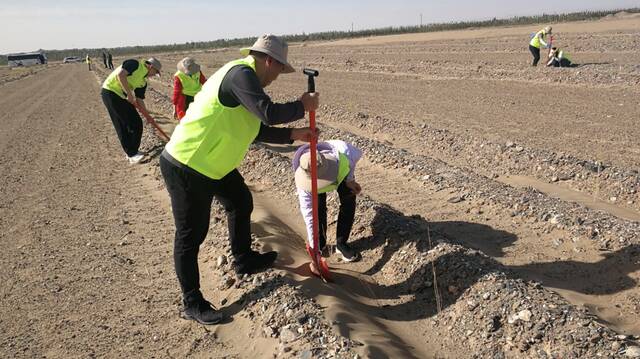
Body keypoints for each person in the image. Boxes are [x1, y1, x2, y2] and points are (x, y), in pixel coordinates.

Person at [160, 34, 319, 325]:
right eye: (279, 71)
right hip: (188, 164)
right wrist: (302, 105)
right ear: (269, 61)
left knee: (240, 201)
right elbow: (269, 114)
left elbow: (255, 129)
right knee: (191, 234)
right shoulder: (241, 74)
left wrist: (295, 135)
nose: (277, 77)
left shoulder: (248, 82)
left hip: (214, 165)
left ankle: (243, 259)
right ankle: (192, 301)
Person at [292, 140, 363, 274]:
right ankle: (320, 243)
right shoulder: (303, 181)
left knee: (349, 198)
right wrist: (314, 249)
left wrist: (349, 180)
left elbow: (352, 163)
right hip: (317, 179)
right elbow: (309, 215)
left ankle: (341, 244)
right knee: (318, 206)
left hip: (340, 173)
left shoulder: (346, 153)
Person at [101, 57, 162, 164]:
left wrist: (148, 116)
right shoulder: (134, 64)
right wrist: (129, 94)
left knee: (137, 122)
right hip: (110, 92)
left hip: (122, 96)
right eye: (155, 72)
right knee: (122, 124)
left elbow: (139, 99)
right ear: (150, 67)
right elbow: (121, 75)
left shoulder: (143, 82)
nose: (153, 75)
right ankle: (131, 154)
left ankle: (133, 151)